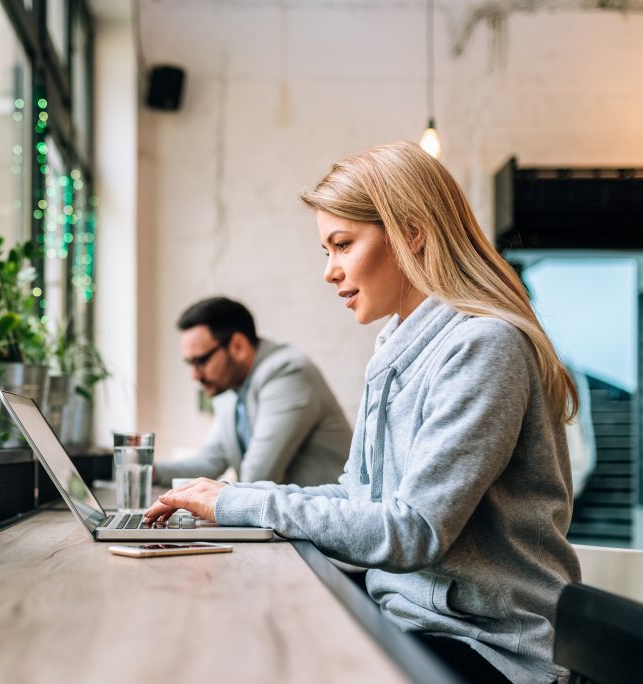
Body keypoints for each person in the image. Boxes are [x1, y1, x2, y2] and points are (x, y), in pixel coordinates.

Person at [145, 142, 581, 684]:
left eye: (342, 245)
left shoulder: (484, 345)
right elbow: (358, 497)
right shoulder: (395, 345)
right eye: (326, 251)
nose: (330, 272)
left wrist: (239, 502)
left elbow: (414, 530)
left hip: (486, 647)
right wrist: (228, 500)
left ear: (411, 231)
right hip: (409, 620)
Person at [153, 296, 350, 487]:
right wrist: (146, 471)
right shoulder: (230, 390)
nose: (194, 375)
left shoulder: (287, 373)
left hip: (328, 516)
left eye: (201, 361)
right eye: (189, 363)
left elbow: (258, 477)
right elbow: (209, 462)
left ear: (238, 346)